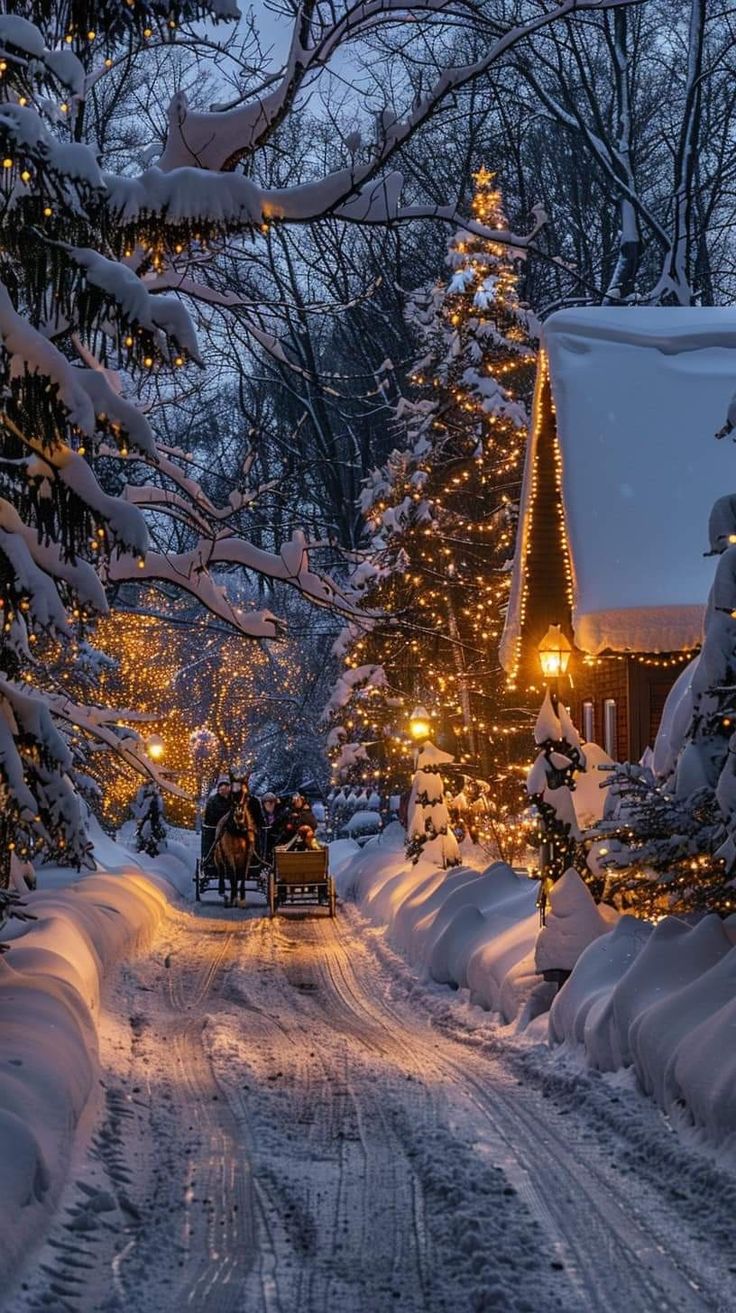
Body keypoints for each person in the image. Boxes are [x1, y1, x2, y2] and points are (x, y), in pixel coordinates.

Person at [201, 777, 231, 878]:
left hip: (231, 827)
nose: (224, 789)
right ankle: (210, 860)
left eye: (226, 787)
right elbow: (210, 816)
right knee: (211, 839)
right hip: (215, 828)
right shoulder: (213, 800)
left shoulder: (233, 800)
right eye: (222, 787)